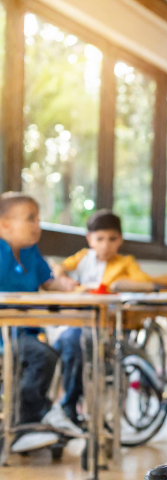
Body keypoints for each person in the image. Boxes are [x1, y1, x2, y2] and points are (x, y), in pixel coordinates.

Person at [52, 209, 154, 422]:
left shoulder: (125, 263)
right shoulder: (82, 258)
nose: (106, 245)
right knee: (64, 343)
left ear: (120, 240)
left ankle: (69, 404)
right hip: (80, 320)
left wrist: (116, 286)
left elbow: (146, 284)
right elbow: (58, 267)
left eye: (112, 239)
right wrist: (63, 278)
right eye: (100, 239)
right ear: (90, 239)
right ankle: (66, 403)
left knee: (75, 342)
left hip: (108, 325)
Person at [0, 192, 82, 452]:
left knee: (64, 350)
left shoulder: (31, 252)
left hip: (26, 330)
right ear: (5, 224)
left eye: (38, 219)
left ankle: (50, 416)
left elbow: (49, 282)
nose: (37, 226)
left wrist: (67, 285)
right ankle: (28, 423)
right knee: (42, 357)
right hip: (4, 333)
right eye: (30, 219)